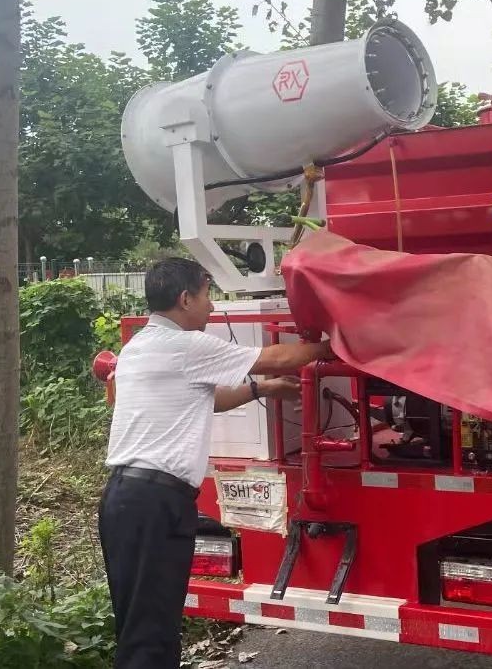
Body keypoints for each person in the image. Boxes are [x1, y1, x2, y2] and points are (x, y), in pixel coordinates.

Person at [99, 258, 331, 668]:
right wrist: (336, 345)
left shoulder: (139, 345)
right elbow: (276, 357)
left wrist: (261, 389)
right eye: (207, 296)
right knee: (151, 635)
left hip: (126, 500)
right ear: (185, 298)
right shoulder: (185, 345)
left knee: (144, 625)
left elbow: (209, 398)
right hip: (154, 502)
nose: (211, 307)